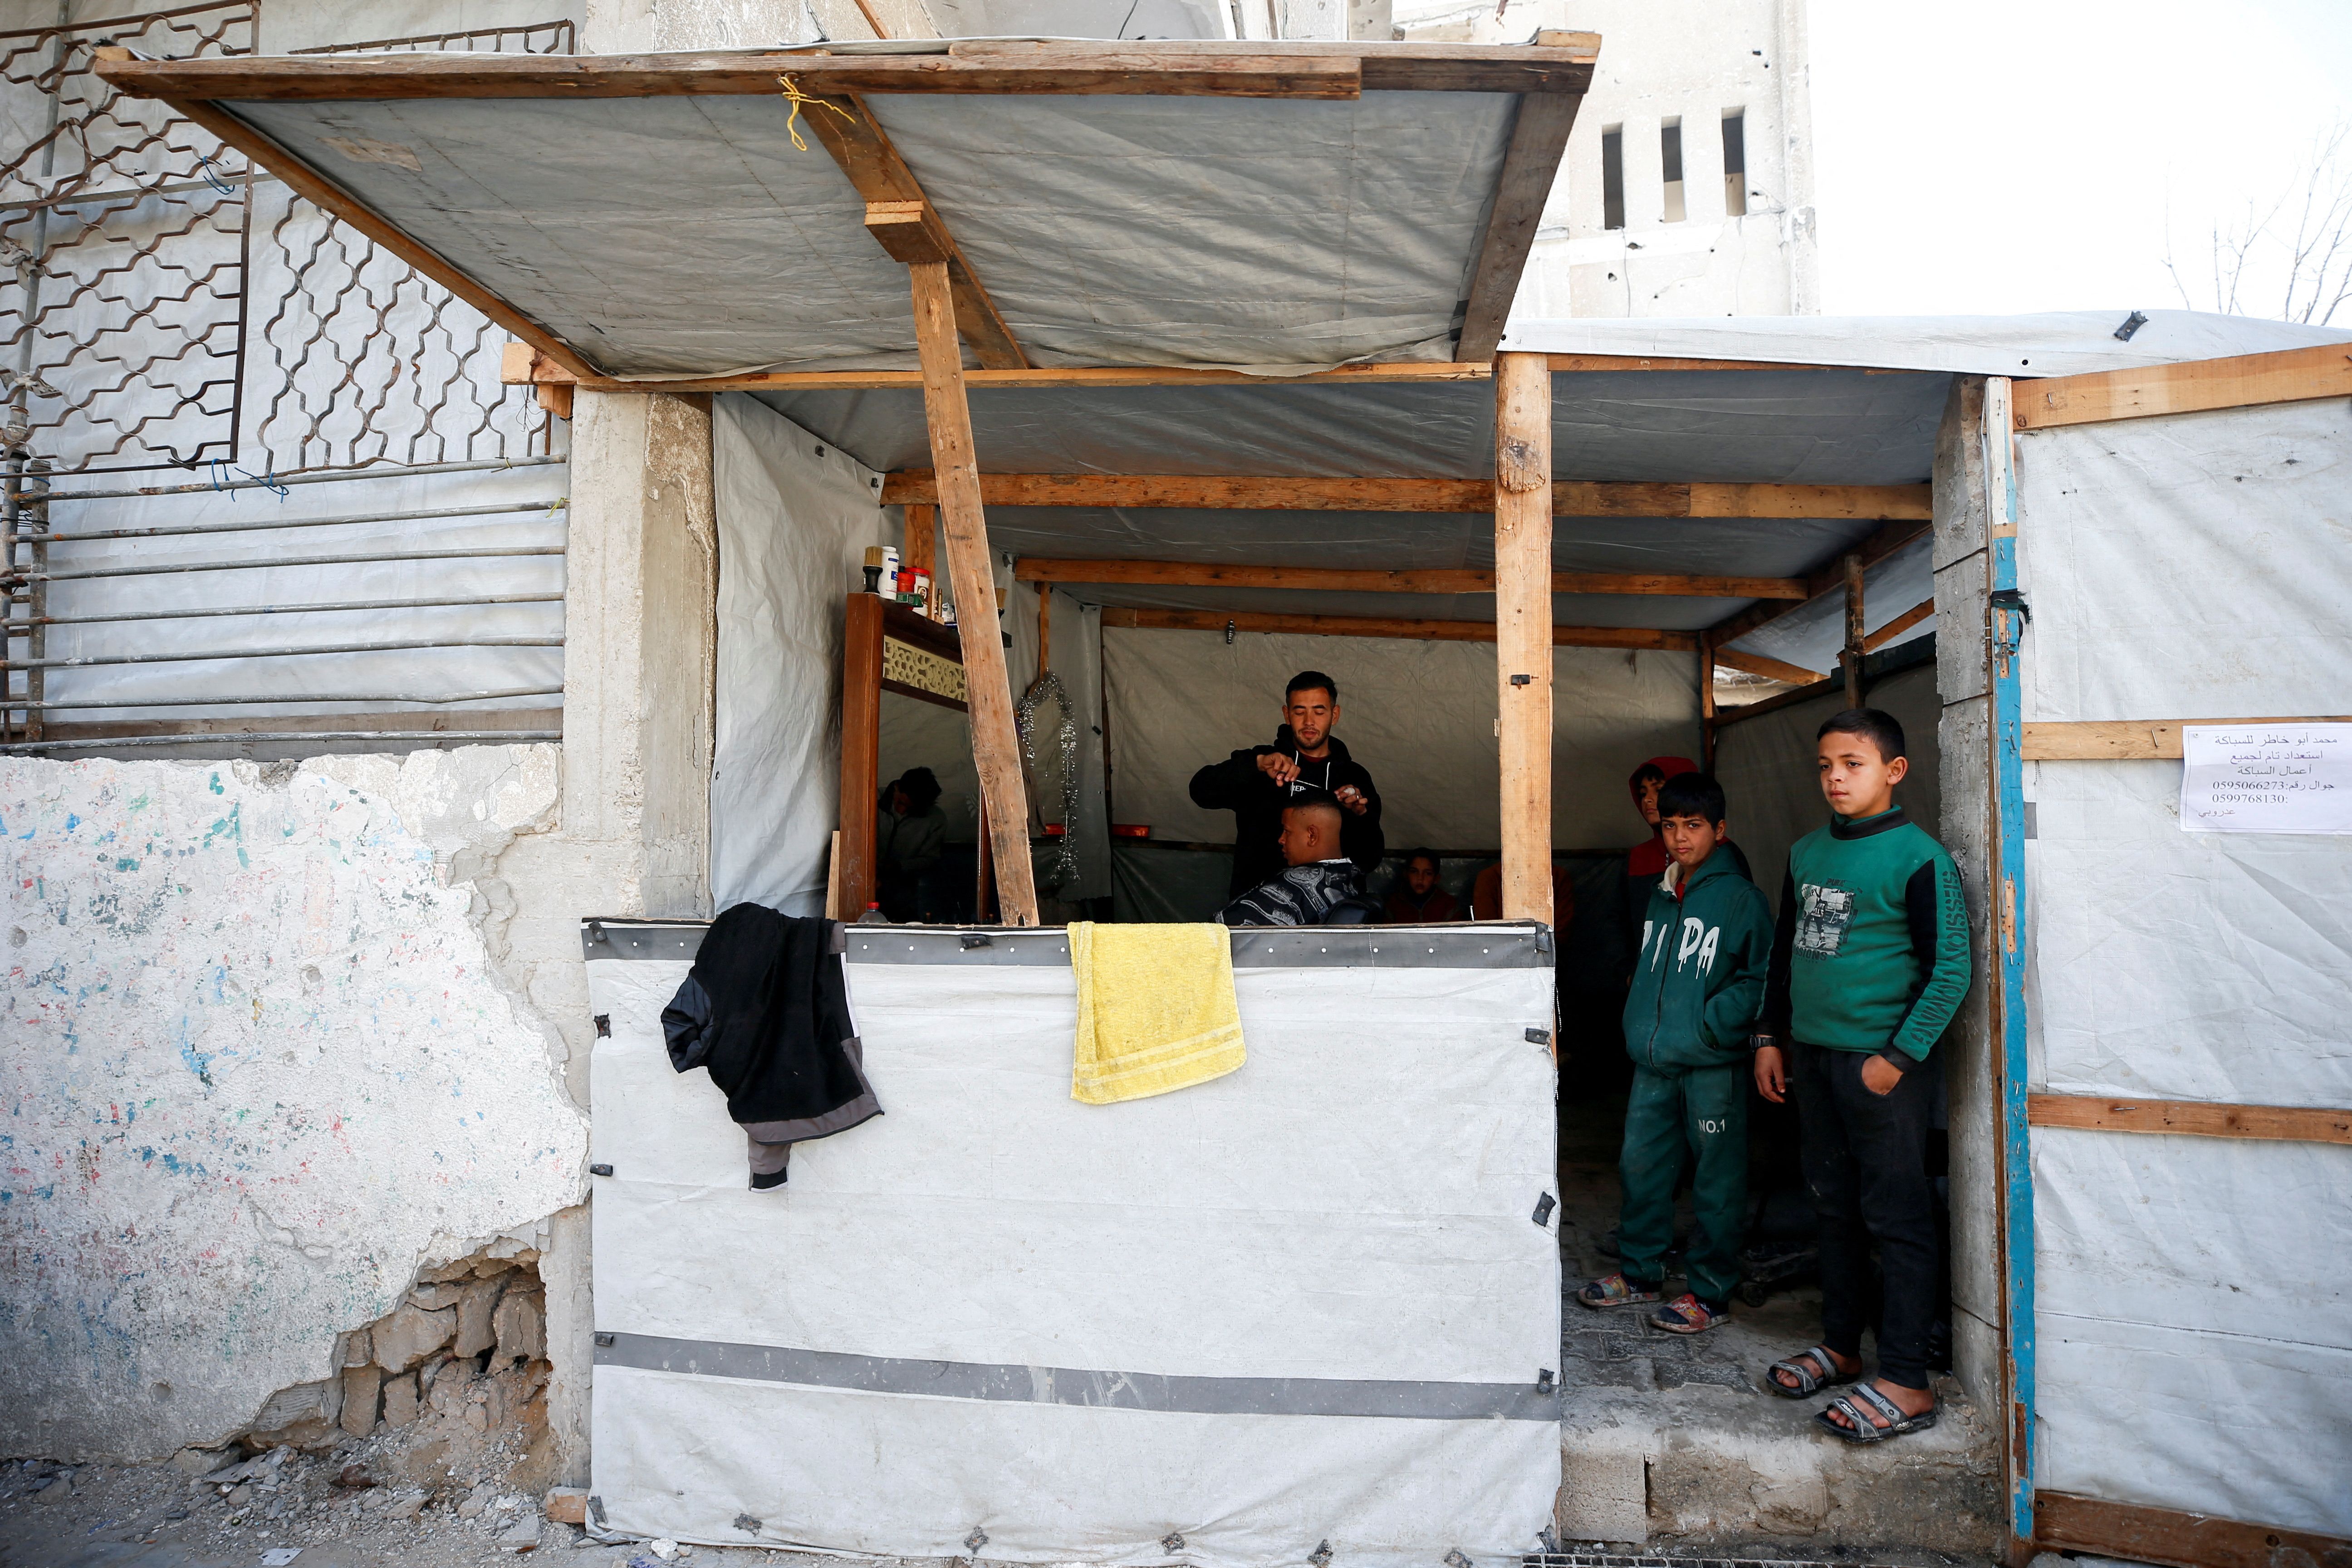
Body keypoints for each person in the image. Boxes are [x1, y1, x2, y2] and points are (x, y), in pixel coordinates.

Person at [1751, 708, 1970, 1442]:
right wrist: (1766, 1038)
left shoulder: (1918, 859)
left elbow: (1948, 972)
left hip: (1878, 1071)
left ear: (1892, 771)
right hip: (1810, 1059)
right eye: (1824, 766)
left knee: (1896, 1219)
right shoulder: (1805, 851)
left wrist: (1893, 1061)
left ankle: (1904, 1379)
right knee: (1831, 1209)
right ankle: (1842, 1348)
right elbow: (1781, 953)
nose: (1834, 778)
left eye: (1851, 764)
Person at [1575, 773, 1772, 1333]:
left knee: (1717, 1179)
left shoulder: (1741, 899)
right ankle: (1640, 1274)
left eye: (1693, 826)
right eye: (1670, 826)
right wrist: (1644, 1025)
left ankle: (1708, 1294)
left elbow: (1761, 976)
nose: (1680, 838)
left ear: (1721, 830)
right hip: (1655, 1060)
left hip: (1712, 1064)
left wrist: (1709, 1029)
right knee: (1641, 1167)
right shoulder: (1663, 894)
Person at [1191, 671, 1383, 898]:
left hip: (1328, 915)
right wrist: (1256, 765)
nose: (1309, 721)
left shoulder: (1354, 777)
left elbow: (1370, 858)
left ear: (1335, 714)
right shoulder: (1263, 762)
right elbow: (1200, 791)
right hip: (1260, 911)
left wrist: (1360, 817)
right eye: (1299, 711)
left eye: (1319, 711)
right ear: (1287, 714)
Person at [1219, 796, 1369, 927]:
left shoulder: (1293, 886)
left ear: (1312, 836)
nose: (1281, 839)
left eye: (1287, 831)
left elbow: (1219, 930)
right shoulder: (1353, 877)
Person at [875, 768, 947, 921]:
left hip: (905, 891)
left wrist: (899, 866)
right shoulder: (870, 800)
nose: (901, 811)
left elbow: (930, 859)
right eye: (900, 802)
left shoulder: (936, 819)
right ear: (896, 787)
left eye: (911, 809)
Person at [1383, 849, 1460, 923]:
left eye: (1428, 873)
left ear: (1436, 879)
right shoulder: (1394, 905)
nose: (1420, 879)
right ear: (1406, 875)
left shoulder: (1448, 905)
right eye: (1414, 872)